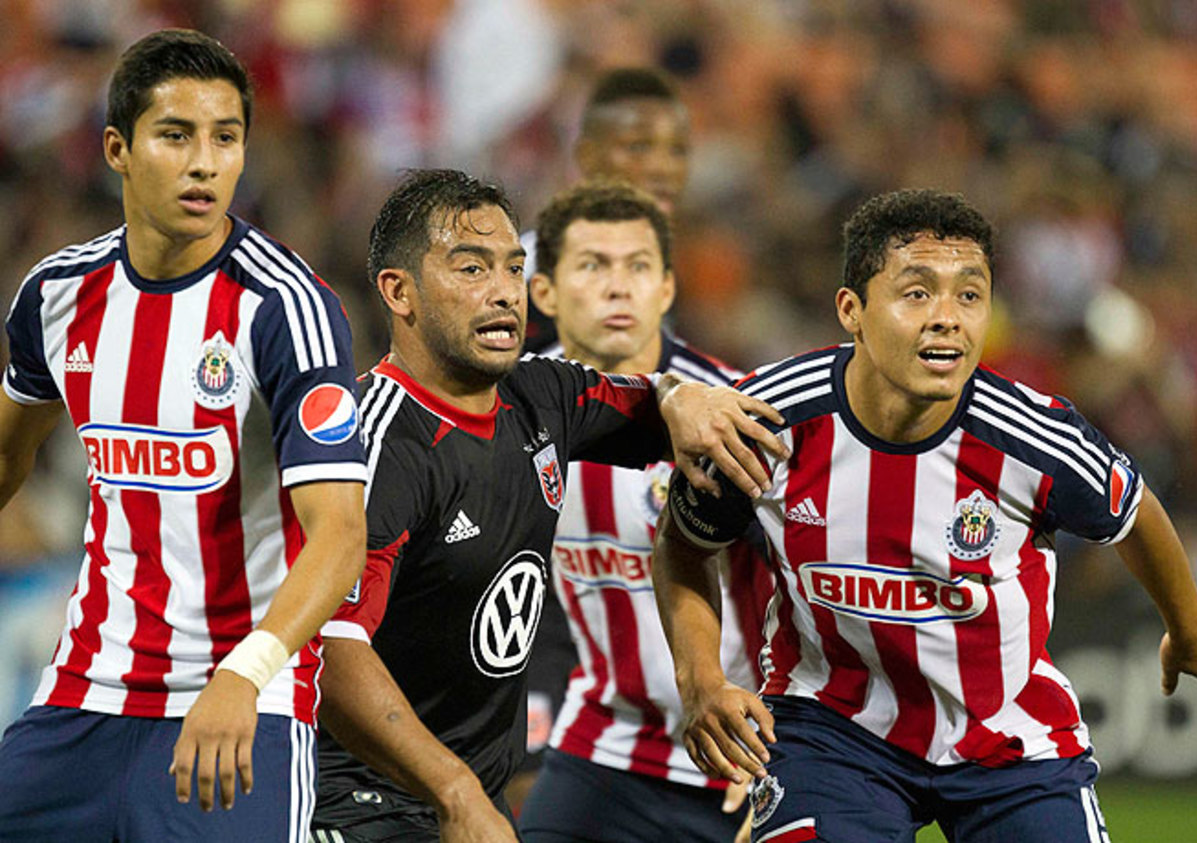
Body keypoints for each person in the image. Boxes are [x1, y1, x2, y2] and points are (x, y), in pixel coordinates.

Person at [653, 188, 1197, 842]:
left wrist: (1188, 629)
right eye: (917, 293)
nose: (947, 317)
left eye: (969, 295)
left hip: (1008, 739)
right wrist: (702, 679)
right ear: (851, 310)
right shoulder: (762, 422)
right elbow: (682, 545)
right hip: (831, 729)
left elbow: (1132, 510)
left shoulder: (1034, 437)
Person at [309, 168, 786, 843]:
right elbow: (332, 643)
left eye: (511, 267)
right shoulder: (377, 443)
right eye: (470, 268)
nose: (503, 291)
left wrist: (683, 396)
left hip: (466, 792)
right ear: (399, 292)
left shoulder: (543, 398)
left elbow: (652, 400)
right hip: (358, 796)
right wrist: (456, 792)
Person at [0, 29, 367, 842]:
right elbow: (5, 455)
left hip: (240, 696)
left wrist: (245, 674)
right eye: (176, 135)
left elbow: (339, 535)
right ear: (117, 150)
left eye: (226, 138)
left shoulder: (286, 308)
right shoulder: (55, 295)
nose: (206, 163)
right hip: (82, 692)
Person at [515, 182, 773, 842]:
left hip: (742, 751)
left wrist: (790, 755)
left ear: (665, 289)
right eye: (593, 265)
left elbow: (801, 598)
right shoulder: (515, 413)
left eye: (637, 267)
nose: (618, 287)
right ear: (544, 293)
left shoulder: (734, 414)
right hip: (603, 741)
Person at [523, 66, 690, 353]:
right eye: (638, 147)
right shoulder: (532, 269)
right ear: (587, 156)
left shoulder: (661, 273)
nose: (663, 169)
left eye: (678, 150)